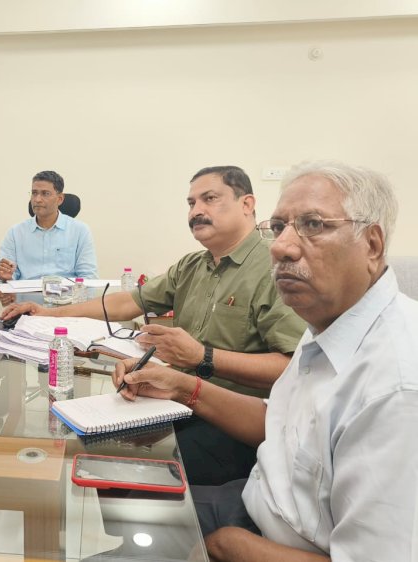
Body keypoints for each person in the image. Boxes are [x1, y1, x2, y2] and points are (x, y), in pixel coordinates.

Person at [114, 161, 416, 561]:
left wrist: (233, 545)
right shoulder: (329, 321)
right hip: (256, 498)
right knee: (120, 493)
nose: (280, 247)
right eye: (278, 227)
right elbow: (281, 423)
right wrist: (182, 386)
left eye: (313, 225)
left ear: (372, 245)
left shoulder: (396, 387)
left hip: (268, 538)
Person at [2, 165, 306, 484]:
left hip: (233, 423)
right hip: (178, 401)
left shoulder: (274, 269)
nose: (196, 211)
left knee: (122, 471)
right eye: (191, 203)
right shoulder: (192, 266)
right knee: (91, 449)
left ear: (247, 204)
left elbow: (296, 368)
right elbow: (126, 303)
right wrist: (51, 313)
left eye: (210, 198)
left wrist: (202, 357)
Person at [0, 170, 98, 281]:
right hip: (26, 291)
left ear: (60, 199)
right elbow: (9, 273)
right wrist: (7, 276)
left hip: (66, 291)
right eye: (34, 193)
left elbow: (88, 276)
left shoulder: (80, 231)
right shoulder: (15, 232)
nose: (37, 199)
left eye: (45, 193)